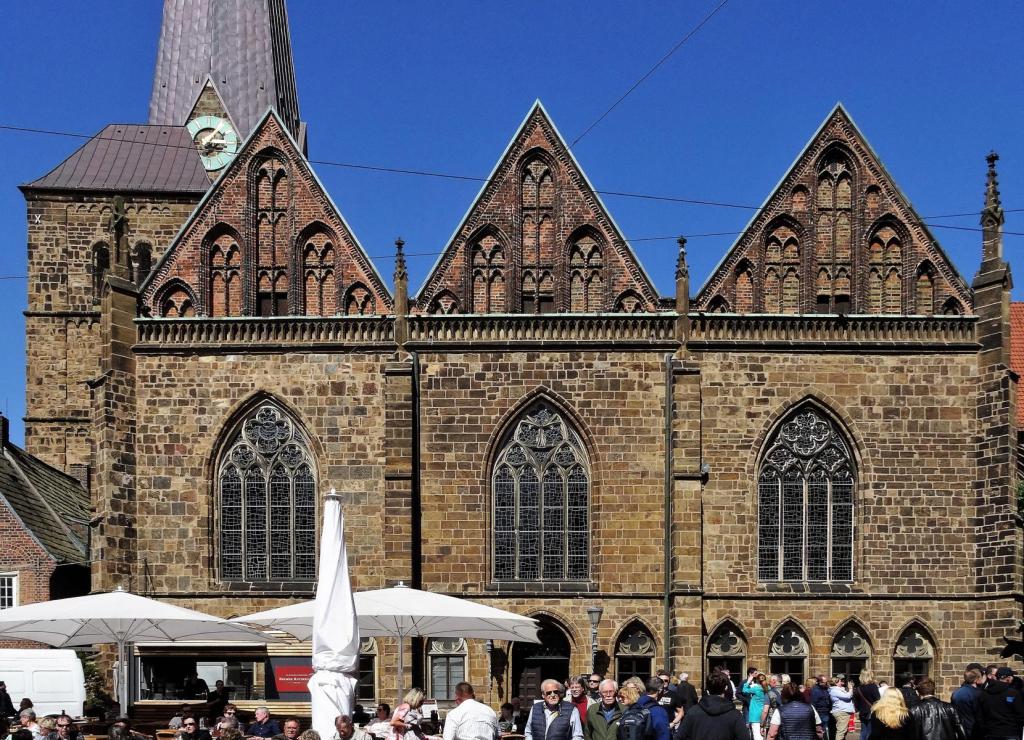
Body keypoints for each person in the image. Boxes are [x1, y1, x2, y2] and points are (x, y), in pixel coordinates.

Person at [675, 672, 746, 740]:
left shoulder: (693, 712)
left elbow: (680, 736)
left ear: (707, 690)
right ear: (726, 688)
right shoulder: (735, 715)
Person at [979, 666, 1024, 740]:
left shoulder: (985, 693)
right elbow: (1021, 715)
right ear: (1008, 678)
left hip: (991, 733)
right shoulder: (1013, 693)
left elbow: (980, 715)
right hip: (1010, 733)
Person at [950, 668, 983, 740]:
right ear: (976, 680)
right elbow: (979, 714)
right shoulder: (978, 693)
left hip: (960, 728)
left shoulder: (956, 692)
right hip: (974, 729)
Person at [854, 670, 882, 740]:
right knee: (870, 732)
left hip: (862, 712)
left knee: (863, 731)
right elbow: (878, 699)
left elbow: (856, 703)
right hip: (871, 712)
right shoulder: (873, 687)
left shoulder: (858, 688)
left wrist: (858, 709)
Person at [741, 672, 768, 740]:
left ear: (757, 681)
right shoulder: (767, 688)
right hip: (764, 714)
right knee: (763, 736)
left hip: (755, 714)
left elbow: (744, 690)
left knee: (757, 736)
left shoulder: (756, 688)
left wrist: (748, 681)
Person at [810, 675, 834, 740]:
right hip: (819, 712)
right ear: (819, 682)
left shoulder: (825, 689)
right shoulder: (815, 690)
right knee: (820, 730)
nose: (826, 684)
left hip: (826, 711)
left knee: (825, 730)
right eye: (824, 682)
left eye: (826, 682)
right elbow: (813, 703)